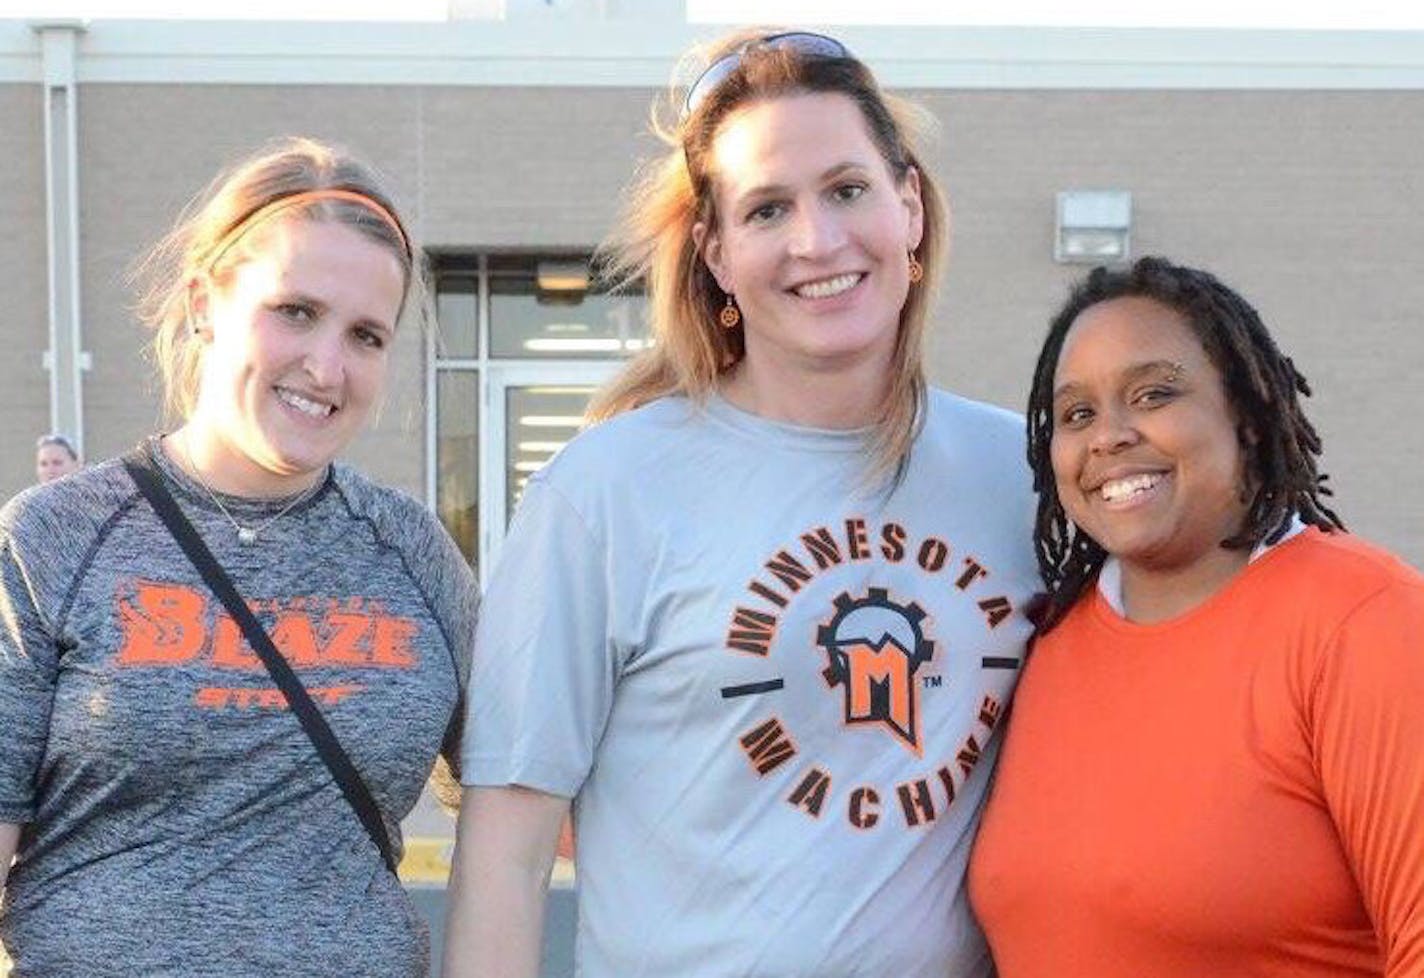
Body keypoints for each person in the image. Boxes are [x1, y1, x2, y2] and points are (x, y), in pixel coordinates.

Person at [445, 29, 1039, 978]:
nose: (818, 240)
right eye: (767, 209)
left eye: (847, 189)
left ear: (910, 207)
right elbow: (507, 853)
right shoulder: (604, 493)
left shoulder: (1025, 474)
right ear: (717, 254)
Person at [0, 138, 475, 978]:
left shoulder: (411, 552)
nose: (327, 366)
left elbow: (521, 791)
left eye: (366, 336)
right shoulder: (53, 538)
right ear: (202, 302)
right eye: (295, 311)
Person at [969, 256, 1424, 977]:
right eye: (1077, 413)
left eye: (1153, 394)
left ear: (1245, 414)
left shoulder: (1363, 622)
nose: (1108, 436)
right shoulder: (1046, 647)